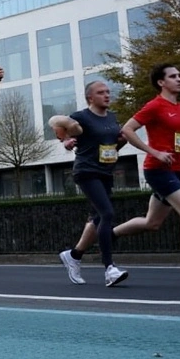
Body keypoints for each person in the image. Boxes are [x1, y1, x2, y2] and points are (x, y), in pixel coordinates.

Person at [113, 64, 180, 289]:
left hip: (176, 169)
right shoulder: (155, 105)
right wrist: (154, 152)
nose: (179, 79)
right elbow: (127, 129)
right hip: (158, 170)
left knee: (152, 223)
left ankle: (108, 235)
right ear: (162, 82)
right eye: (173, 76)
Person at [51, 81, 129, 287]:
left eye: (108, 92)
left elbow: (113, 144)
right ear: (90, 98)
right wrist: (66, 141)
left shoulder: (112, 118)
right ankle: (109, 268)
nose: (106, 95)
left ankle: (74, 255)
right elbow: (59, 128)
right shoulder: (81, 117)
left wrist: (122, 141)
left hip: (106, 171)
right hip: (86, 171)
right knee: (107, 214)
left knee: (97, 219)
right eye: (101, 92)